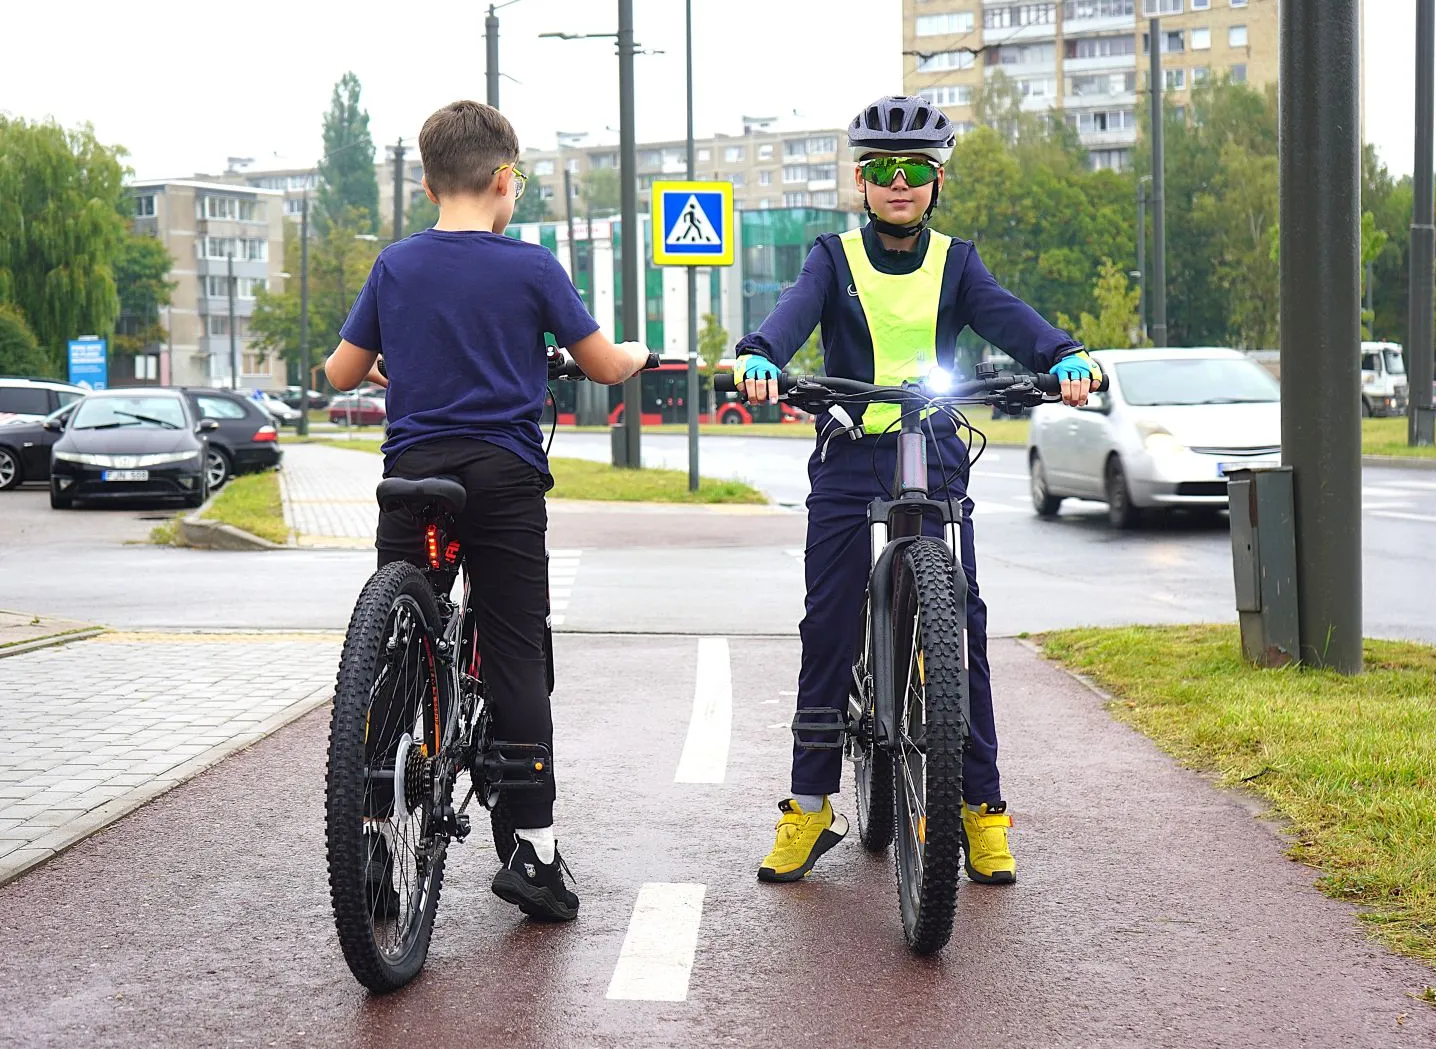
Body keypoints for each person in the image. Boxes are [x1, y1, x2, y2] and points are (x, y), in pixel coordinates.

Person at [733, 94, 1100, 886]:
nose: (900, 185)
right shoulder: (831, 258)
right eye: (884, 172)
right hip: (849, 450)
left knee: (959, 624)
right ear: (861, 181)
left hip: (930, 447)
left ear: (936, 182)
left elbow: (1011, 320)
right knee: (827, 620)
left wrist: (1065, 354)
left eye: (917, 172)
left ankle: (982, 811)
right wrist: (760, 353)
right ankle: (808, 805)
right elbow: (793, 316)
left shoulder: (957, 263)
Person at [323, 99, 652, 923]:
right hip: (502, 482)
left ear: (429, 183)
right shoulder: (531, 268)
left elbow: (338, 372)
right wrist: (639, 353)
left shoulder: (394, 266)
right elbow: (605, 367)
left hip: (414, 482)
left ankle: (369, 832)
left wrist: (384, 373)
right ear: (506, 181)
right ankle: (532, 853)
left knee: (402, 646)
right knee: (512, 645)